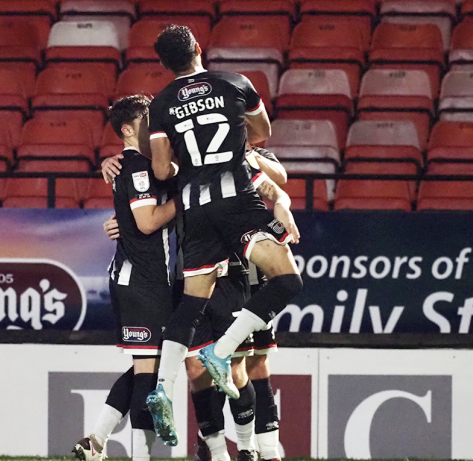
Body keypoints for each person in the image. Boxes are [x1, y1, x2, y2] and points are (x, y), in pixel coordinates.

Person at [143, 24, 304, 446]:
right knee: (288, 279)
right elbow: (262, 133)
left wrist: (187, 165)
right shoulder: (236, 83)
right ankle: (221, 350)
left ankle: (161, 387)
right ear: (198, 48)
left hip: (194, 210)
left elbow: (161, 171)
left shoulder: (159, 105)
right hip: (237, 201)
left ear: (164, 64)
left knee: (192, 301)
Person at [99, 145, 287, 461]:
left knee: (241, 366)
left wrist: (280, 201)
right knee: (197, 369)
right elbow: (156, 199)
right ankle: (215, 452)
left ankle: (251, 449)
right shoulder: (182, 164)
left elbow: (279, 184)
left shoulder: (243, 156)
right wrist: (123, 214)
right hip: (191, 275)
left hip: (236, 271)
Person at [73, 94, 177, 461]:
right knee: (147, 372)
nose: (156, 125)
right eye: (148, 119)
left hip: (147, 280)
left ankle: (95, 441)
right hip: (142, 283)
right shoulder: (135, 168)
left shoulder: (135, 166)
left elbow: (136, 220)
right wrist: (186, 200)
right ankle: (139, 456)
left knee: (144, 367)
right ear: (130, 129)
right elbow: (148, 222)